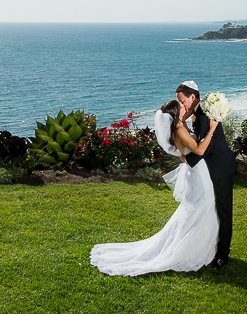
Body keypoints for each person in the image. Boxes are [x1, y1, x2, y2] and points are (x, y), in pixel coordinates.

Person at [89, 98, 219, 276]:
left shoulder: (180, 125)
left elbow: (187, 143)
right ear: (175, 113)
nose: (184, 107)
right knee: (200, 207)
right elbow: (198, 150)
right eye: (181, 107)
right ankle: (190, 249)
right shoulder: (179, 130)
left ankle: (200, 246)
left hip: (197, 171)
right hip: (197, 174)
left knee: (200, 208)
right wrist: (212, 130)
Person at [176, 80, 236, 268]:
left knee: (224, 212)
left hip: (221, 167)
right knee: (212, 209)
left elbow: (205, 146)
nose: (181, 104)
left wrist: (187, 161)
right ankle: (210, 248)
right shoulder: (200, 112)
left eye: (182, 100)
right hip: (211, 168)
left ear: (192, 97)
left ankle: (223, 255)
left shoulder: (203, 115)